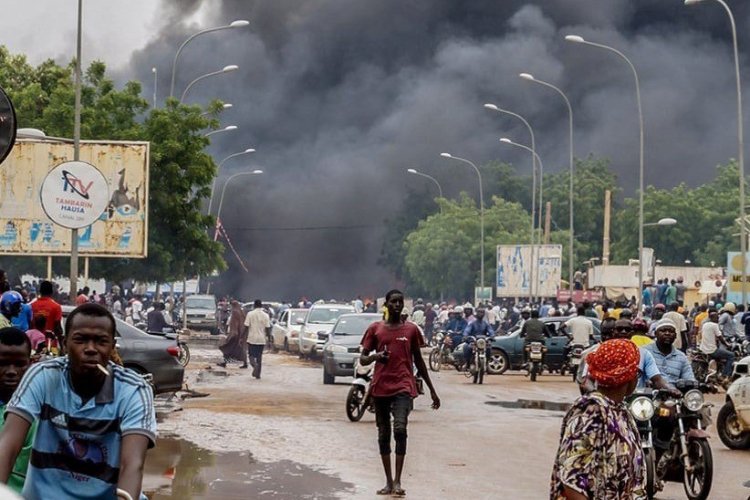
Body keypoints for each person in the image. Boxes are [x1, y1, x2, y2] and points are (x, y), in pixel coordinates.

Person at [0, 303, 156, 499]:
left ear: (112, 345)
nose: (91, 349)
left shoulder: (134, 390)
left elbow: (132, 465)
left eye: (101, 341)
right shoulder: (43, 376)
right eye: (81, 340)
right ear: (65, 344)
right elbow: (7, 445)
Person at [360, 289, 439, 497]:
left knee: (400, 429)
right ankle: (387, 481)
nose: (397, 305)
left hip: (403, 386)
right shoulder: (375, 329)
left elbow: (419, 361)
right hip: (380, 387)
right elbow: (363, 359)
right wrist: (377, 356)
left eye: (400, 302)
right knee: (384, 434)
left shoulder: (412, 330)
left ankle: (398, 481)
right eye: (393, 302)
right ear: (385, 304)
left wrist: (432, 390)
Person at [551, 339, 646, 499]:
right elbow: (572, 481)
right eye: (636, 372)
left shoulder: (619, 410)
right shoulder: (591, 411)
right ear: (628, 377)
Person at [0, 328, 36, 494]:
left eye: (20, 364)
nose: (12, 371)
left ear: (31, 363)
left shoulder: (39, 413)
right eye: (3, 363)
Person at [643, 319, 695, 384]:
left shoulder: (681, 357)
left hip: (675, 392)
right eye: (663, 330)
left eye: (671, 331)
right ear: (655, 334)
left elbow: (689, 378)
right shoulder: (645, 352)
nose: (667, 333)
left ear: (675, 336)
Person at [700, 310, 735, 379]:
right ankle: (725, 375)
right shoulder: (715, 325)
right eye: (717, 317)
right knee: (731, 355)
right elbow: (720, 338)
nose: (718, 319)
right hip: (712, 350)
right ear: (712, 318)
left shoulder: (705, 324)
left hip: (703, 348)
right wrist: (728, 345)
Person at [245, 299, 270, 379]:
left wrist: (242, 336)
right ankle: (258, 375)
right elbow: (268, 328)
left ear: (254, 305)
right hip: (261, 339)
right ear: (261, 305)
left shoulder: (250, 314)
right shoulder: (266, 315)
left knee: (251, 355)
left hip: (252, 338)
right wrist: (269, 339)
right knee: (259, 357)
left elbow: (246, 326)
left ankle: (254, 365)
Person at [218, 300, 248, 368]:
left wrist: (232, 334)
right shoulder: (241, 312)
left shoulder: (235, 312)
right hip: (241, 334)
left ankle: (225, 363)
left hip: (235, 335)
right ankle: (245, 363)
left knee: (226, 348)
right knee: (240, 349)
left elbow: (235, 324)